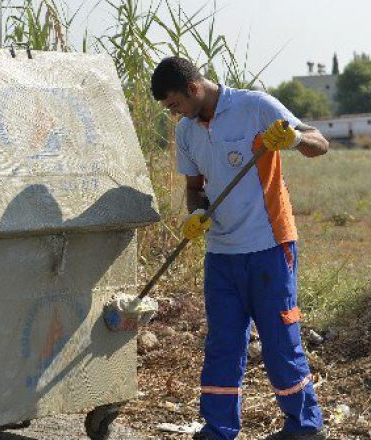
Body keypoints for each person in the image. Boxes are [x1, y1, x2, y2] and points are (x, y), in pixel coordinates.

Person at [150, 56, 329, 440]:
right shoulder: (187, 131)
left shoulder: (254, 106)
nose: (174, 113)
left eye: (175, 103)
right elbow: (194, 188)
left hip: (268, 246)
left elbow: (320, 143)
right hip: (221, 255)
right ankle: (218, 429)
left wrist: (295, 139)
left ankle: (305, 427)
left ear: (193, 88)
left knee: (280, 341)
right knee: (223, 343)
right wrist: (196, 214)